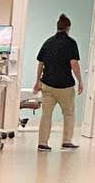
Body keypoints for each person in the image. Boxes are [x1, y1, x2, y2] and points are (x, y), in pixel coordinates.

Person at [35, 13, 83, 151]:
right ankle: (66, 141)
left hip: (48, 85)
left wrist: (37, 81)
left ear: (57, 27)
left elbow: (40, 63)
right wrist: (80, 81)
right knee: (68, 114)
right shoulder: (71, 43)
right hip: (65, 86)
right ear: (68, 28)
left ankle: (42, 143)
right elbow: (74, 64)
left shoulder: (48, 42)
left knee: (46, 115)